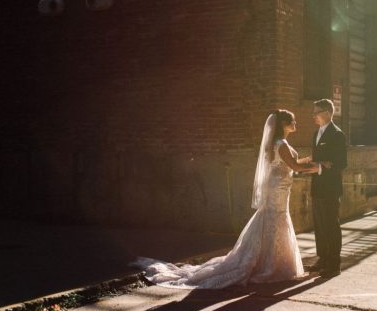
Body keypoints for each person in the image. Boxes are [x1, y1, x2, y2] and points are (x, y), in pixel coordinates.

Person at [134, 110, 318, 289]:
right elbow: (294, 165)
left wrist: (311, 159)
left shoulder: (277, 143)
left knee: (273, 219)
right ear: (284, 125)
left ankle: (268, 261)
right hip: (278, 188)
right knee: (276, 219)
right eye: (292, 121)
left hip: (278, 186)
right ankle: (270, 265)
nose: (295, 124)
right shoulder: (282, 144)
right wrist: (317, 168)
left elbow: (291, 163)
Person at [299, 99, 347, 278]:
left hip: (331, 188)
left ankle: (334, 264)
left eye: (316, 112)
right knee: (319, 225)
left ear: (327, 113)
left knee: (331, 225)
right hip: (317, 187)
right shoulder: (316, 134)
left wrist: (320, 167)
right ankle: (323, 259)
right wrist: (302, 163)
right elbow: (317, 157)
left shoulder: (337, 135)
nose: (313, 116)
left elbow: (342, 163)